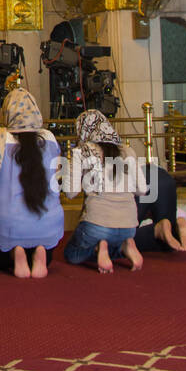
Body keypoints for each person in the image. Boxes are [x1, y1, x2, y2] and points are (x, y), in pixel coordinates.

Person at [0, 88, 63, 278]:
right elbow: (56, 172)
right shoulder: (49, 139)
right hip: (47, 228)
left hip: (8, 228)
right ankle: (39, 251)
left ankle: (15, 252)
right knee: (43, 243)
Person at [63, 109, 146, 273]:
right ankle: (125, 245)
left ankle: (100, 246)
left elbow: (70, 193)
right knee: (114, 237)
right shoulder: (127, 151)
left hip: (96, 225)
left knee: (71, 254)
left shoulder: (82, 151)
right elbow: (142, 190)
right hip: (129, 227)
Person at [135, 163, 186, 253]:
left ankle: (157, 231)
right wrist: (179, 217)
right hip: (158, 176)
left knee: (119, 241)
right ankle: (171, 229)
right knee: (170, 239)